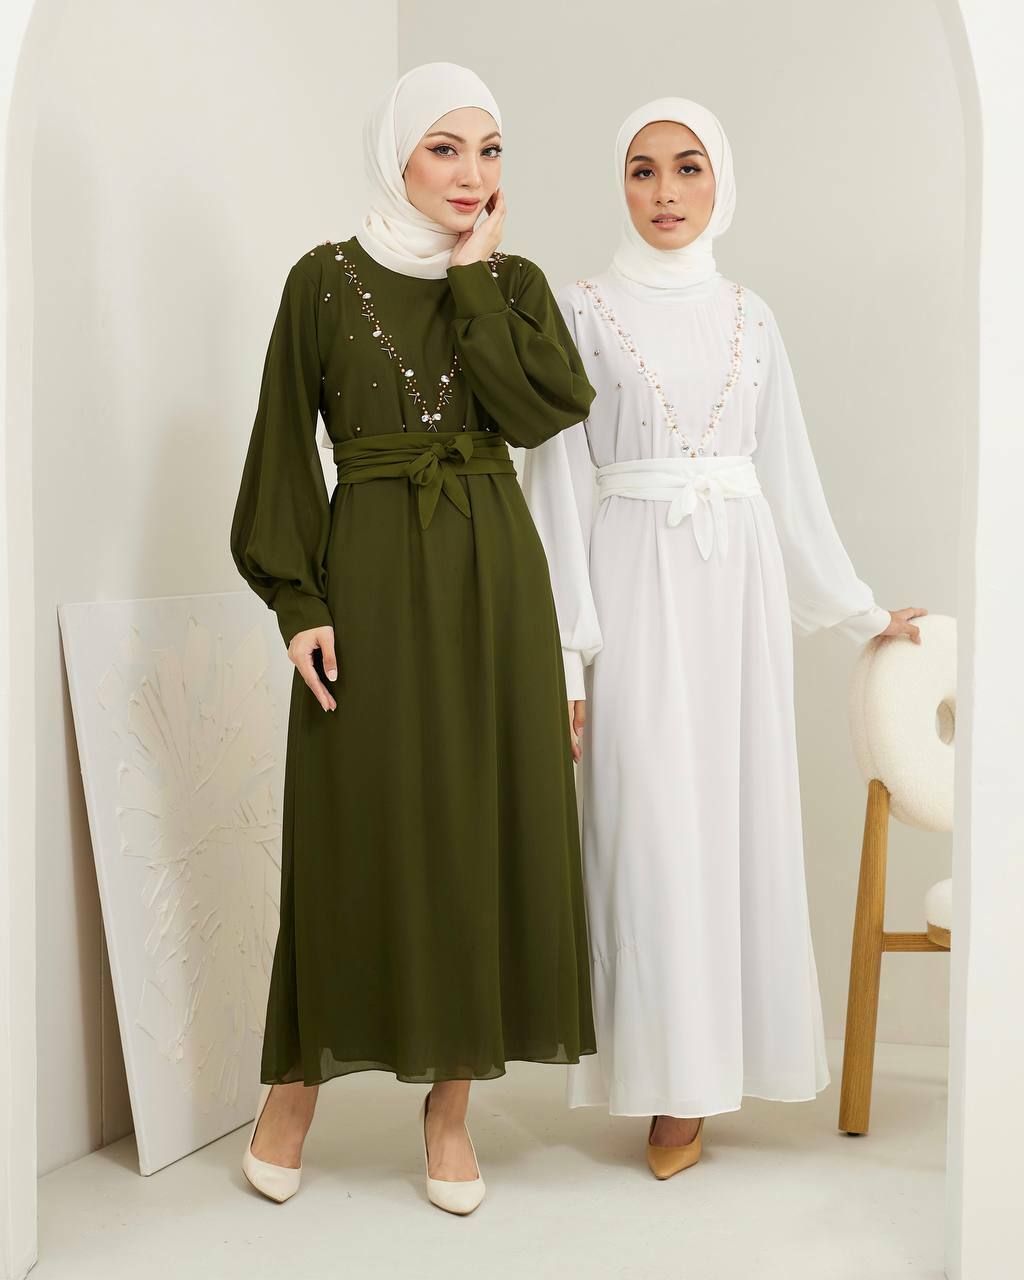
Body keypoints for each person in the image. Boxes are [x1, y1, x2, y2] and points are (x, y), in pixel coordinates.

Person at [520, 97, 926, 1180]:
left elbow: (788, 473)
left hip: (734, 590)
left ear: (719, 181)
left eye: (687, 167)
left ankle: (713, 1072)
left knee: (730, 819)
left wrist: (856, 607)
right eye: (643, 169)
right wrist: (567, 651)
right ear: (620, 184)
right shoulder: (580, 309)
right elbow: (553, 482)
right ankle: (665, 1079)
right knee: (645, 823)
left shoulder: (752, 316)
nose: (664, 191)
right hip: (629, 575)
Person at [229, 62, 597, 1215]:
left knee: (475, 827)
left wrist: (475, 276)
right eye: (445, 147)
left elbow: (542, 409)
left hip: (495, 578)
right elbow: (281, 443)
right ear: (398, 153)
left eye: (490, 150)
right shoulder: (323, 280)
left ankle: (450, 1108)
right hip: (374, 572)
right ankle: (293, 1089)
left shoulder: (516, 282)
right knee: (354, 820)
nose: (471, 173)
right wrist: (299, 601)